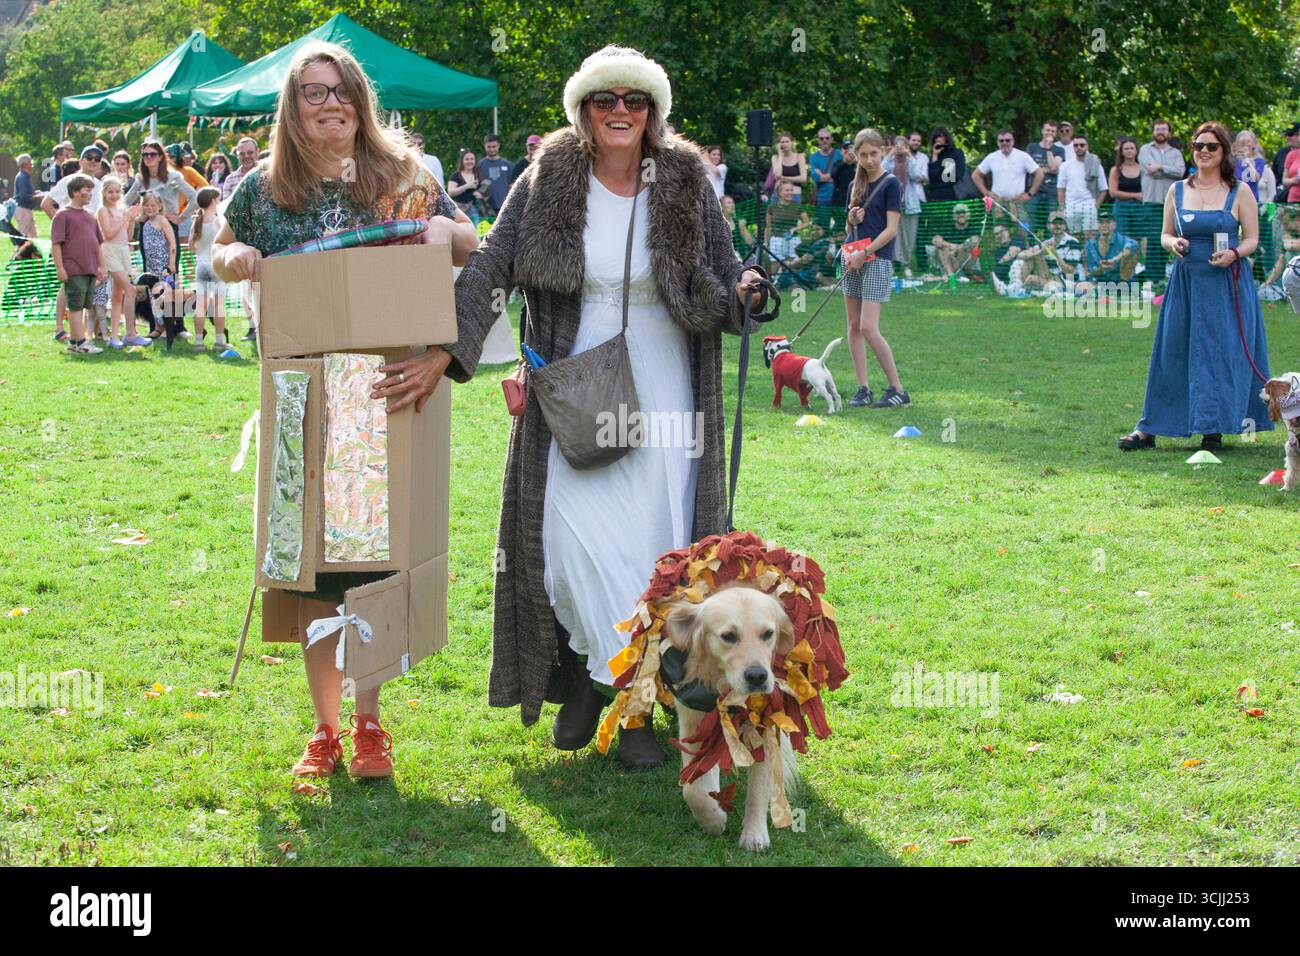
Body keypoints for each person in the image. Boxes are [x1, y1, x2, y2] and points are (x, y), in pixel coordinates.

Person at [414, 44, 763, 765]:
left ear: (654, 113)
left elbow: (729, 274)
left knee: (655, 550)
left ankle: (629, 705)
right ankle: (586, 675)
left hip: (667, 390)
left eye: (635, 100)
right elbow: (490, 262)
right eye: (606, 100)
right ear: (582, 110)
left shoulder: (687, 181)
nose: (621, 112)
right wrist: (444, 350)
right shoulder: (549, 179)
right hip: (576, 388)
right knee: (568, 548)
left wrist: (750, 290)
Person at [212, 40, 477, 780]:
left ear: (361, 100)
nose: (328, 104)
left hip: (383, 399)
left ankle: (370, 727)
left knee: (373, 569)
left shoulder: (406, 176)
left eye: (339, 91)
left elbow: (469, 243)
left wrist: (444, 233)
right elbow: (223, 248)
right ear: (291, 109)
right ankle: (325, 731)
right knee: (317, 577)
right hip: (304, 403)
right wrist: (233, 260)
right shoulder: (265, 192)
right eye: (311, 93)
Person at [1119, 122, 1271, 452]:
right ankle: (1150, 428)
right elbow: (1164, 234)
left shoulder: (1239, 191)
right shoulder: (1178, 190)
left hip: (1227, 283)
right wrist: (1173, 242)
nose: (1203, 151)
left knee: (1219, 353)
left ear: (1223, 152)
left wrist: (1233, 253)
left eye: (1211, 147)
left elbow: (1253, 239)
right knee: (1172, 352)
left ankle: (1212, 428)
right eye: (1198, 145)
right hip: (1186, 282)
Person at [842, 128, 908, 409]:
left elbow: (892, 229)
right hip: (852, 258)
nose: (869, 160)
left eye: (874, 154)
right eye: (863, 155)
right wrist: (851, 218)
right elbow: (851, 228)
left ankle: (897, 389)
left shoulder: (891, 183)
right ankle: (863, 387)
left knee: (869, 327)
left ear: (884, 152)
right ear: (856, 155)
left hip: (876, 260)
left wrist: (866, 253)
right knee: (854, 326)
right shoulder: (853, 186)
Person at [41, 146, 106, 342]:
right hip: (72, 245)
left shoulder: (100, 185)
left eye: (97, 158)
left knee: (85, 286)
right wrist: (66, 231)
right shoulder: (69, 181)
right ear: (81, 160)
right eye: (89, 157)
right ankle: (60, 328)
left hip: (92, 243)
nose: (93, 161)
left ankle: (89, 330)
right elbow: (46, 203)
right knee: (68, 284)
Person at [50, 174, 105, 355]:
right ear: (74, 192)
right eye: (86, 190)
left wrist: (100, 267)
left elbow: (98, 244)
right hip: (73, 268)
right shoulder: (62, 215)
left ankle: (74, 342)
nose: (89, 194)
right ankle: (81, 343)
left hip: (90, 268)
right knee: (74, 306)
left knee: (81, 306)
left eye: (90, 190)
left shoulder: (90, 216)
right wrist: (60, 268)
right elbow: (57, 243)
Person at [125, 139, 197, 270]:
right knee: (149, 271)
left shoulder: (173, 177)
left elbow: (195, 197)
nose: (148, 157)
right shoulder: (141, 179)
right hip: (146, 228)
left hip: (168, 226)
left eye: (152, 154)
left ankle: (172, 290)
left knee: (170, 271)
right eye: (145, 154)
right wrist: (134, 217)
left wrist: (181, 217)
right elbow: (125, 202)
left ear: (160, 157)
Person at [97, 176, 149, 348]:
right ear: (104, 193)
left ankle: (114, 337)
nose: (114, 195)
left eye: (117, 191)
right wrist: (125, 217)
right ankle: (131, 333)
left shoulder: (121, 209)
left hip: (123, 250)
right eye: (110, 192)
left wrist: (131, 219)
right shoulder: (103, 211)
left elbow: (127, 236)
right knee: (130, 289)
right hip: (109, 251)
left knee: (118, 294)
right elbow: (109, 234)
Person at [1139, 120, 1185, 278]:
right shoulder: (1145, 149)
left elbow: (1180, 172)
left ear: (1169, 133)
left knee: (1168, 240)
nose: (1160, 132)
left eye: (1163, 129)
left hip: (1170, 203)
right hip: (1151, 202)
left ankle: (1161, 277)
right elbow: (1150, 170)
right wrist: (1165, 170)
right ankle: (1151, 278)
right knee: (1153, 240)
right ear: (1152, 132)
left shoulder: (1176, 153)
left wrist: (1160, 167)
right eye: (1157, 129)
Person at [974, 130, 1043, 225]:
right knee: (1000, 234)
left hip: (1018, 203)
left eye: (1007, 140)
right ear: (998, 143)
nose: (1004, 143)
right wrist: (986, 192)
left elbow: (1039, 174)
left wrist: (1029, 194)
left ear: (1013, 141)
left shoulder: (1022, 156)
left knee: (1022, 234)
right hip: (998, 203)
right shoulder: (992, 157)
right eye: (1001, 141)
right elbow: (976, 175)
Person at [188, 187, 227, 350]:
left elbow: (191, 245)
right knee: (218, 305)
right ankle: (219, 340)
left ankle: (198, 341)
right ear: (213, 201)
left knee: (201, 306)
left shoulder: (197, 221)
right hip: (216, 265)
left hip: (201, 265)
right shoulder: (218, 220)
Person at [138, 192, 177, 334]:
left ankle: (168, 327)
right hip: (151, 266)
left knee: (164, 295)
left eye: (153, 205)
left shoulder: (162, 220)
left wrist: (171, 263)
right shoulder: (146, 223)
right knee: (152, 296)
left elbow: (172, 243)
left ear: (160, 206)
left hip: (163, 265)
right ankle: (157, 326)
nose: (150, 208)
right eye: (147, 205)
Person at [1056, 133, 1106, 239]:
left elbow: (1103, 189)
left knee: (1090, 239)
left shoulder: (1096, 164)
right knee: (1074, 238)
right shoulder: (1065, 166)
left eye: (1082, 145)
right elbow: (1061, 189)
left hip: (1089, 206)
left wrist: (1095, 207)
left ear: (1087, 146)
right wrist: (1062, 207)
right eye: (1076, 145)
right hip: (1071, 207)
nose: (1079, 148)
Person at [890, 134, 927, 275]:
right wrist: (890, 155)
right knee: (892, 234)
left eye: (902, 145)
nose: (900, 148)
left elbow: (916, 175)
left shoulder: (911, 160)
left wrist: (909, 158)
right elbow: (882, 171)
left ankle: (906, 264)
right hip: (892, 204)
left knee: (909, 235)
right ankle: (893, 263)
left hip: (910, 204)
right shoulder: (890, 160)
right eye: (897, 145)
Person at [1026, 120, 1066, 232]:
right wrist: (1046, 170)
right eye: (1048, 130)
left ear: (1056, 134)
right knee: (1032, 226)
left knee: (1051, 227)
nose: (1050, 133)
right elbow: (1029, 169)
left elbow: (1054, 167)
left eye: (1053, 131)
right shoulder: (1032, 147)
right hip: (1034, 193)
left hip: (1051, 193)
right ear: (1042, 131)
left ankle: (1049, 248)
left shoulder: (1059, 150)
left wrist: (1048, 148)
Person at [926, 202, 982, 278]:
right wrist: (952, 246)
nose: (961, 215)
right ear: (953, 216)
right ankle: (950, 274)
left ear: (968, 215)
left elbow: (975, 241)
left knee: (968, 248)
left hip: (966, 260)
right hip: (949, 258)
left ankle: (956, 273)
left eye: (964, 212)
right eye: (958, 213)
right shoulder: (946, 226)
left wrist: (957, 248)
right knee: (942, 249)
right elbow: (935, 240)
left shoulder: (974, 226)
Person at [1109, 137, 1145, 257]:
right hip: (1121, 208)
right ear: (1122, 151)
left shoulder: (1143, 168)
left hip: (1139, 209)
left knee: (1140, 238)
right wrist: (1135, 195)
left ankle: (1141, 267)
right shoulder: (1116, 170)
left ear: (1136, 151)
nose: (1129, 151)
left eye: (1131, 148)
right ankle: (1122, 268)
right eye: (1126, 149)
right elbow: (1113, 192)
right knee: (1122, 238)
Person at [809, 127, 839, 224]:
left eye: (827, 138)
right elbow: (817, 178)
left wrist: (825, 176)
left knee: (841, 229)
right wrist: (833, 177)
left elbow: (843, 176)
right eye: (821, 138)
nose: (824, 140)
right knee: (823, 229)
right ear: (818, 140)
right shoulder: (814, 157)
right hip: (822, 198)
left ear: (832, 139)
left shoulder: (839, 154)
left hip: (839, 197)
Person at [478, 133, 513, 214]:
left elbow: (512, 185)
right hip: (485, 208)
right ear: (484, 146)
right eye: (489, 147)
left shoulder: (507, 164)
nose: (491, 149)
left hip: (505, 206)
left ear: (499, 146)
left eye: (494, 146)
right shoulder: (479, 165)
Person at [447, 148, 484, 223]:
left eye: (472, 159)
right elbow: (450, 192)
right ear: (462, 161)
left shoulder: (478, 175)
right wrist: (467, 186)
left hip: (474, 210)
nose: (469, 161)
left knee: (475, 232)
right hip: (459, 211)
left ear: (475, 161)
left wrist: (480, 194)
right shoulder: (456, 175)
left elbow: (485, 190)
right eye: (467, 159)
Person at [770, 131, 807, 203]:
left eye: (787, 141)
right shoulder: (775, 157)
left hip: (794, 195)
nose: (785, 144)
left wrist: (783, 178)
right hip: (778, 195)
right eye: (782, 142)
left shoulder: (799, 156)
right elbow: (777, 175)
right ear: (779, 144)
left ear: (792, 142)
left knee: (793, 214)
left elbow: (803, 178)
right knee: (774, 214)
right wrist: (780, 155)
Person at [1271, 123, 1298, 203]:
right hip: (1282, 197)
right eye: (1286, 135)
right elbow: (1274, 176)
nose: (1287, 137)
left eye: (1290, 135)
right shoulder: (1281, 154)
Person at [12, 154, 37, 239]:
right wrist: (35, 197)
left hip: (26, 209)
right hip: (23, 209)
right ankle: (19, 252)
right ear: (25, 164)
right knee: (22, 236)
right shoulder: (22, 177)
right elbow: (23, 196)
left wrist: (36, 193)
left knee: (33, 237)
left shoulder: (25, 176)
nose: (31, 165)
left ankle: (33, 252)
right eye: (30, 163)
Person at [829, 138, 856, 212]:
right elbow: (833, 175)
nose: (848, 150)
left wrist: (856, 161)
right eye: (845, 148)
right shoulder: (837, 163)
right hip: (839, 202)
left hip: (855, 200)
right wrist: (844, 162)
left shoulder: (858, 164)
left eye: (850, 148)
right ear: (841, 151)